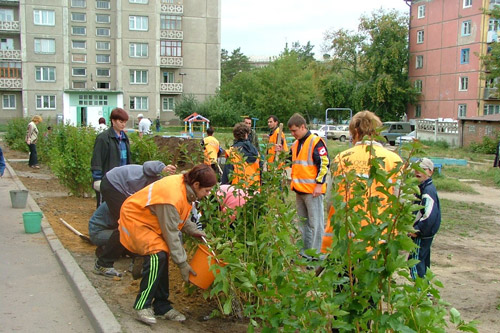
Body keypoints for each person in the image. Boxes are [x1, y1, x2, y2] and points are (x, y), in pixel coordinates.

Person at [118, 164, 217, 325]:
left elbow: (175, 217)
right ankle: (143, 305)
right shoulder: (171, 196)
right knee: (158, 255)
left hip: (151, 221)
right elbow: (171, 233)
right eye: (207, 190)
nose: (208, 194)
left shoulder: (185, 187)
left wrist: (192, 229)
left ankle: (162, 306)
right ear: (196, 185)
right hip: (135, 220)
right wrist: (182, 263)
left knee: (162, 254)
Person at [330, 110, 402, 246]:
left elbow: (331, 200)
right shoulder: (393, 160)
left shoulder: (341, 158)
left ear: (355, 132)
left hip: (347, 241)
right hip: (380, 239)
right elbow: (400, 200)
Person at [287, 113, 330, 259]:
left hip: (313, 191)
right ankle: (306, 252)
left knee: (316, 225)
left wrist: (319, 184)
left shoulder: (315, 141)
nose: (293, 134)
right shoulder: (295, 144)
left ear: (303, 127)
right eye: (291, 131)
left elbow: (324, 163)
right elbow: (289, 161)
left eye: (294, 131)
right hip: (299, 190)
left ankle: (316, 255)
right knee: (303, 224)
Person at [91, 107, 131, 208]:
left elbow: (128, 160)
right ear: (113, 121)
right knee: (104, 207)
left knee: (118, 208)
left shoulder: (125, 138)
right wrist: (97, 178)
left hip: (121, 180)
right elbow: (97, 158)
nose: (123, 124)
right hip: (107, 180)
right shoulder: (103, 138)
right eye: (121, 121)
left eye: (125, 122)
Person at [408, 158, 441, 280]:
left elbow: (430, 214)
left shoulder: (427, 190)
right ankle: (426, 292)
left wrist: (418, 230)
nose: (418, 172)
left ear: (431, 172)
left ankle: (420, 293)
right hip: (425, 233)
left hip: (422, 234)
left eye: (422, 169)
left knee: (415, 262)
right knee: (424, 262)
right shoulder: (421, 188)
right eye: (416, 168)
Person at [222, 123, 261, 188]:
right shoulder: (256, 152)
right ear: (247, 135)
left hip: (238, 191)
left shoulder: (232, 152)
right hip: (254, 189)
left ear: (235, 136)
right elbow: (261, 171)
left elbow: (227, 176)